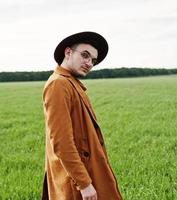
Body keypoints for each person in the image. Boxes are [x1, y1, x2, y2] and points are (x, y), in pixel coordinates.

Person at [42, 31, 123, 200]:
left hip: (85, 172)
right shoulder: (59, 84)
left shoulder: (70, 82)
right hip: (76, 182)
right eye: (85, 55)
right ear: (68, 52)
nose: (89, 63)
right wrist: (84, 183)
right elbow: (61, 142)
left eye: (93, 60)